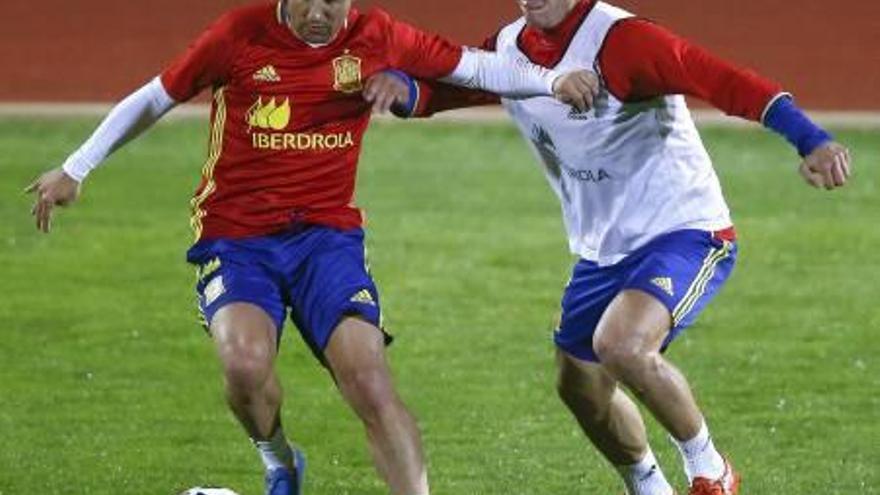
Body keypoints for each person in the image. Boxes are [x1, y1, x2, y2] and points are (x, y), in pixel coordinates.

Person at [24, 1, 596, 494]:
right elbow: (156, 97)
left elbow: (477, 67)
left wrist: (551, 81)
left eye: (335, 3)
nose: (322, 16)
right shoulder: (239, 34)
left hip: (327, 238)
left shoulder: (377, 35)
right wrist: (77, 167)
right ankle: (280, 461)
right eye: (308, 3)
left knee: (370, 380)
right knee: (245, 366)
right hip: (237, 235)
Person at [375, 0, 852, 493]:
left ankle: (710, 470)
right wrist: (405, 90)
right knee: (580, 384)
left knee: (621, 345)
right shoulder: (510, 48)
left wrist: (810, 138)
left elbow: (724, 80)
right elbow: (459, 89)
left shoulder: (625, 41)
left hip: (683, 228)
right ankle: (648, 486)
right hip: (602, 248)